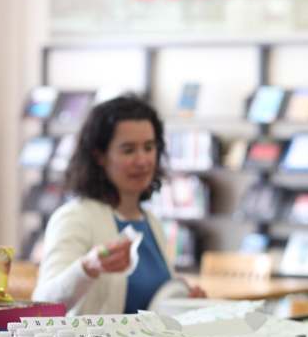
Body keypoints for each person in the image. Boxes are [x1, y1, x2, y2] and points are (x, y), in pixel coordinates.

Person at [33, 96, 204, 315]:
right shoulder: (75, 217)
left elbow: (154, 304)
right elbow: (43, 303)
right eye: (128, 150)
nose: (142, 160)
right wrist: (88, 268)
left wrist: (185, 302)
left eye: (149, 147)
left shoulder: (151, 221)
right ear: (100, 156)